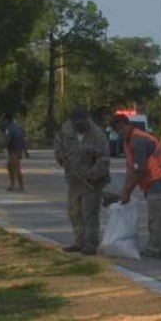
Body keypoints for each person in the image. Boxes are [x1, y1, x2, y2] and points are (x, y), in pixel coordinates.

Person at [110, 112, 161, 259]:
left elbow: (138, 172)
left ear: (126, 125)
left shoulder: (137, 141)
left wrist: (127, 193)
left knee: (157, 217)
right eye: (117, 131)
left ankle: (154, 250)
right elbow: (131, 169)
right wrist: (125, 190)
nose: (120, 133)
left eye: (120, 130)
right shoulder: (129, 140)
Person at [53, 107, 111, 254]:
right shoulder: (66, 130)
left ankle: (90, 244)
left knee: (89, 214)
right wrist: (60, 157)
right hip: (73, 180)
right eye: (76, 124)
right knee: (74, 212)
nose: (79, 126)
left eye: (82, 123)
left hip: (91, 183)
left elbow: (103, 160)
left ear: (87, 120)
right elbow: (58, 143)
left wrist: (91, 174)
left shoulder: (97, 135)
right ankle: (79, 242)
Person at [2, 114, 28, 192]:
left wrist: (4, 146)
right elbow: (23, 140)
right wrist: (25, 151)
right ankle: (12, 184)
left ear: (7, 120)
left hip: (14, 150)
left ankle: (21, 185)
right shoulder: (18, 128)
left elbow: (8, 138)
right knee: (9, 166)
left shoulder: (8, 129)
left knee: (16, 168)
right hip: (19, 150)